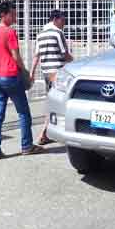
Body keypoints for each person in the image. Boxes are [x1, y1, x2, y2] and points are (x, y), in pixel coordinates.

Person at [0, 1, 43, 160]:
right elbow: (16, 56)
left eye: (15, 13)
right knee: (24, 113)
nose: (15, 16)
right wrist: (26, 72)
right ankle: (27, 146)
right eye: (12, 14)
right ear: (3, 15)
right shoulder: (10, 32)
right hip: (11, 76)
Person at [30, 9, 73, 145]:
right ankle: (45, 133)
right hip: (58, 73)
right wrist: (76, 63)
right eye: (63, 20)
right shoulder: (57, 33)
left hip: (46, 73)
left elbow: (36, 56)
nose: (64, 23)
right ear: (55, 19)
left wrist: (31, 73)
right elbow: (64, 53)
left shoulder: (40, 34)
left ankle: (47, 132)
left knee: (51, 102)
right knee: (64, 101)